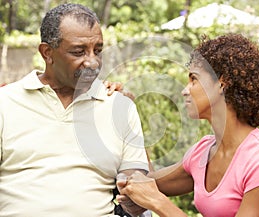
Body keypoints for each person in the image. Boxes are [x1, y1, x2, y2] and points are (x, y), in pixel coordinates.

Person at [116, 34, 259, 217]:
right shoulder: (203, 152)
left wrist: (158, 203)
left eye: (193, 79)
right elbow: (146, 183)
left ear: (222, 84)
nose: (184, 91)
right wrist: (129, 113)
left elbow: (153, 195)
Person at [0, 3, 149, 217]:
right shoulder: (5, 103)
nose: (92, 62)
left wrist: (135, 194)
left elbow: (137, 183)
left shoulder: (119, 107)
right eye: (79, 52)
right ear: (47, 53)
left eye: (98, 50)